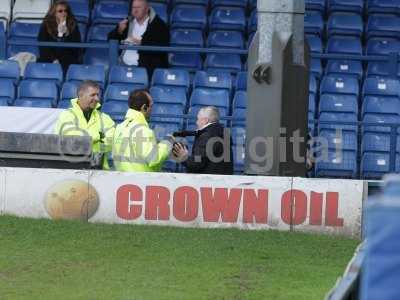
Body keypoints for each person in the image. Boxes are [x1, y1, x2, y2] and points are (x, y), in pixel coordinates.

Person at [54, 80, 115, 169]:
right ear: (81, 95)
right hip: (71, 168)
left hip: (100, 171)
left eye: (98, 95)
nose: (97, 99)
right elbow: (73, 140)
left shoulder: (104, 118)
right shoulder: (67, 115)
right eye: (93, 95)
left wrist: (87, 139)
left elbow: (111, 141)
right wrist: (98, 136)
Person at [112, 89, 173, 172]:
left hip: (121, 181)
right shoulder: (142, 130)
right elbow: (153, 159)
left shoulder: (119, 128)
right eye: (151, 106)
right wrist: (167, 143)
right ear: (144, 107)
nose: (152, 110)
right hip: (141, 182)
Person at [107, 0, 169, 77]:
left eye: (139, 7)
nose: (135, 10)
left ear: (147, 9)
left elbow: (162, 48)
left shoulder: (159, 25)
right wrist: (119, 31)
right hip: (122, 66)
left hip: (145, 70)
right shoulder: (127, 21)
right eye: (133, 7)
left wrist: (141, 43)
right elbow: (110, 39)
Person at [172, 106, 234, 175]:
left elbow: (196, 165)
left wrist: (183, 157)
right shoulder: (223, 133)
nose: (196, 122)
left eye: (198, 119)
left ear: (205, 120)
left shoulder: (206, 136)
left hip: (207, 182)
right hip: (222, 182)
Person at [37, 0, 81, 74]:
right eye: (60, 11)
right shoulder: (46, 25)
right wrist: (53, 59)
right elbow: (42, 46)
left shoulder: (73, 24)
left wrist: (67, 34)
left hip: (68, 58)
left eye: (65, 11)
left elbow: (76, 46)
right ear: (54, 13)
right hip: (49, 57)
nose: (63, 13)